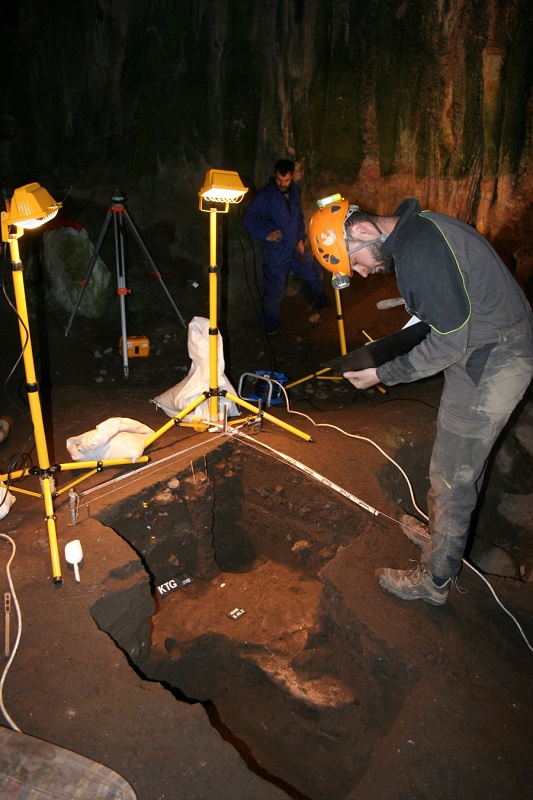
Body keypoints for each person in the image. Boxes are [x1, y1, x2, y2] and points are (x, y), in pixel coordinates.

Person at [309, 197, 533, 605]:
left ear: (362, 231)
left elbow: (447, 345)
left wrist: (382, 373)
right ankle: (443, 538)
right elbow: (445, 311)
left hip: (492, 361)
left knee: (451, 472)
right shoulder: (421, 229)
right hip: (488, 346)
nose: (362, 273)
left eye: (355, 263)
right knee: (459, 462)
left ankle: (435, 579)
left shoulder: (418, 252)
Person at [242, 159, 330, 334]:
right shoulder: (266, 196)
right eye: (279, 180)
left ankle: (318, 301)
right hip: (277, 251)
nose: (282, 184)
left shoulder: (294, 191)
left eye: (286, 180)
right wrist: (265, 234)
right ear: (275, 176)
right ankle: (270, 323)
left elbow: (297, 218)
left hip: (295, 248)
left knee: (314, 270)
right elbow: (248, 218)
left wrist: (300, 239)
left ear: (292, 177)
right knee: (275, 290)